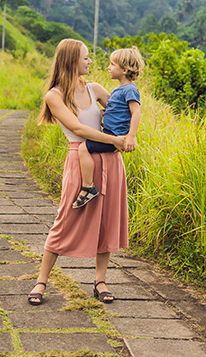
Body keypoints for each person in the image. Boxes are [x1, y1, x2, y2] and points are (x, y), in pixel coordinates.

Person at [28, 39, 132, 306]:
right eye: (86, 58)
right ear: (71, 60)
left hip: (110, 160)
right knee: (65, 218)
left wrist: (126, 130)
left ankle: (100, 281)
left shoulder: (95, 88)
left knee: (107, 220)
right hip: (81, 157)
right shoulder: (54, 95)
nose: (90, 62)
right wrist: (116, 141)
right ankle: (41, 281)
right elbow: (78, 130)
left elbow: (121, 111)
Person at [73, 47, 143, 209]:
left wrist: (131, 136)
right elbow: (118, 109)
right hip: (111, 132)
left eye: (112, 64)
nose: (108, 67)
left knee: (83, 148)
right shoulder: (120, 89)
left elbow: (136, 111)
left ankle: (88, 187)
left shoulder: (130, 89)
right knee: (86, 147)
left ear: (124, 70)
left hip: (115, 136)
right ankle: (88, 185)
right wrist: (104, 113)